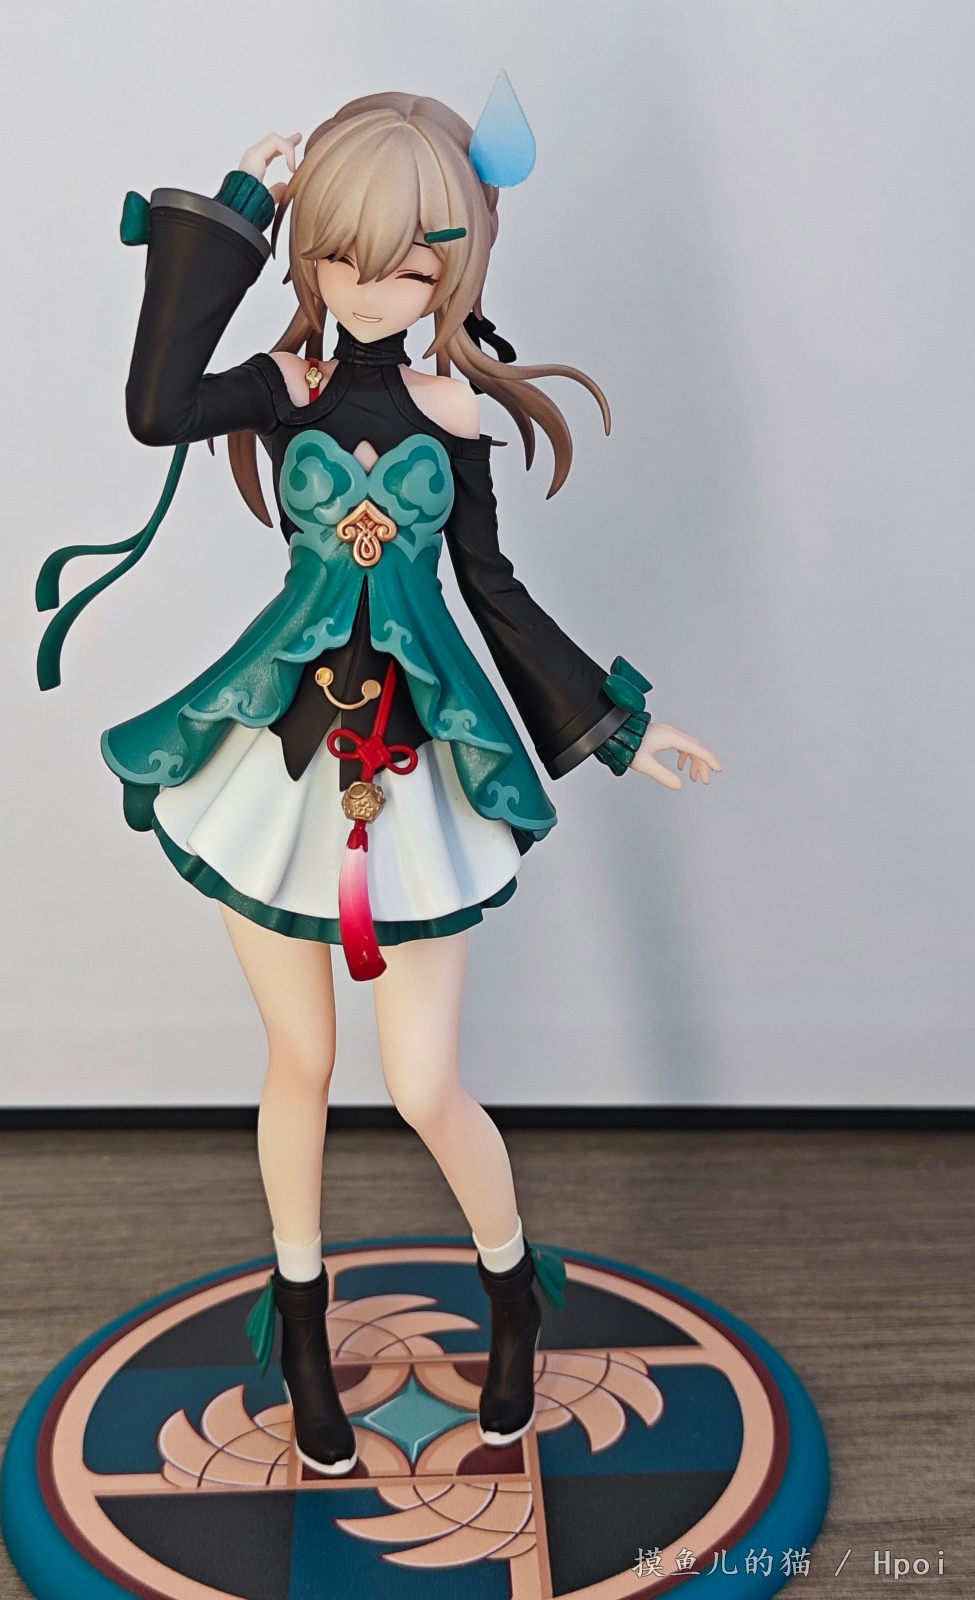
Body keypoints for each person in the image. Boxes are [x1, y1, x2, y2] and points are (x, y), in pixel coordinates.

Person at [40, 89, 721, 1478]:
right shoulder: (283, 386)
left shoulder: (453, 413)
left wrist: (614, 729)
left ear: (450, 270)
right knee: (297, 1061)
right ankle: (300, 1328)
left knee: (422, 1084)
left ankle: (513, 1289)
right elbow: (156, 407)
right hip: (276, 750)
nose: (367, 287)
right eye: (340, 255)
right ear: (310, 255)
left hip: (415, 768)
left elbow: (493, 593)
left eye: (406, 264)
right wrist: (237, 211)